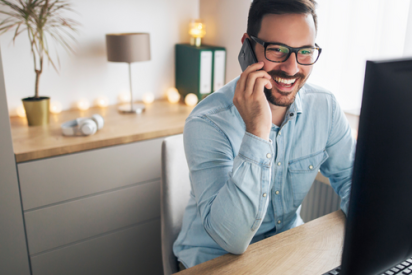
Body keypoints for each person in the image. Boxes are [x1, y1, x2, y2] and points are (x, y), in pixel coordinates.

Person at [173, 0, 356, 270]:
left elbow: (355, 181)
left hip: (286, 252)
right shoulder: (208, 121)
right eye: (277, 50)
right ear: (247, 47)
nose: (292, 68)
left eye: (304, 51)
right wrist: (257, 130)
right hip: (213, 261)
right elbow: (232, 240)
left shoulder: (325, 107)